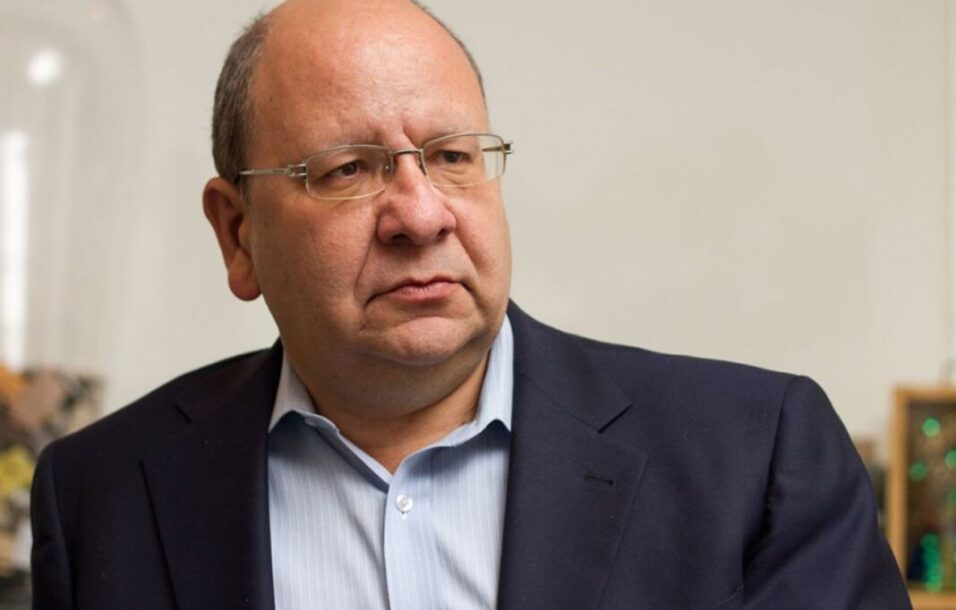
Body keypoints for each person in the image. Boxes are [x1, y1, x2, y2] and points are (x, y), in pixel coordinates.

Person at [31, 0, 911, 608]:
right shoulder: (100, 497)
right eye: (348, 169)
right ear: (238, 234)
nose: (421, 216)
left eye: (452, 156)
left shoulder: (757, 458)